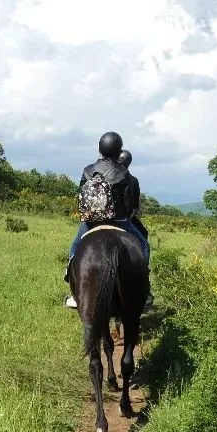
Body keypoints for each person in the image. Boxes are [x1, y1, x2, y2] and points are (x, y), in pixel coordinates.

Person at [64, 131, 153, 309]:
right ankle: (144, 285)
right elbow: (129, 207)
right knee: (144, 245)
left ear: (100, 148)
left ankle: (73, 287)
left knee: (74, 249)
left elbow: (81, 196)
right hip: (119, 221)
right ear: (118, 150)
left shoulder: (88, 170)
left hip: (91, 222)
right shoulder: (124, 173)